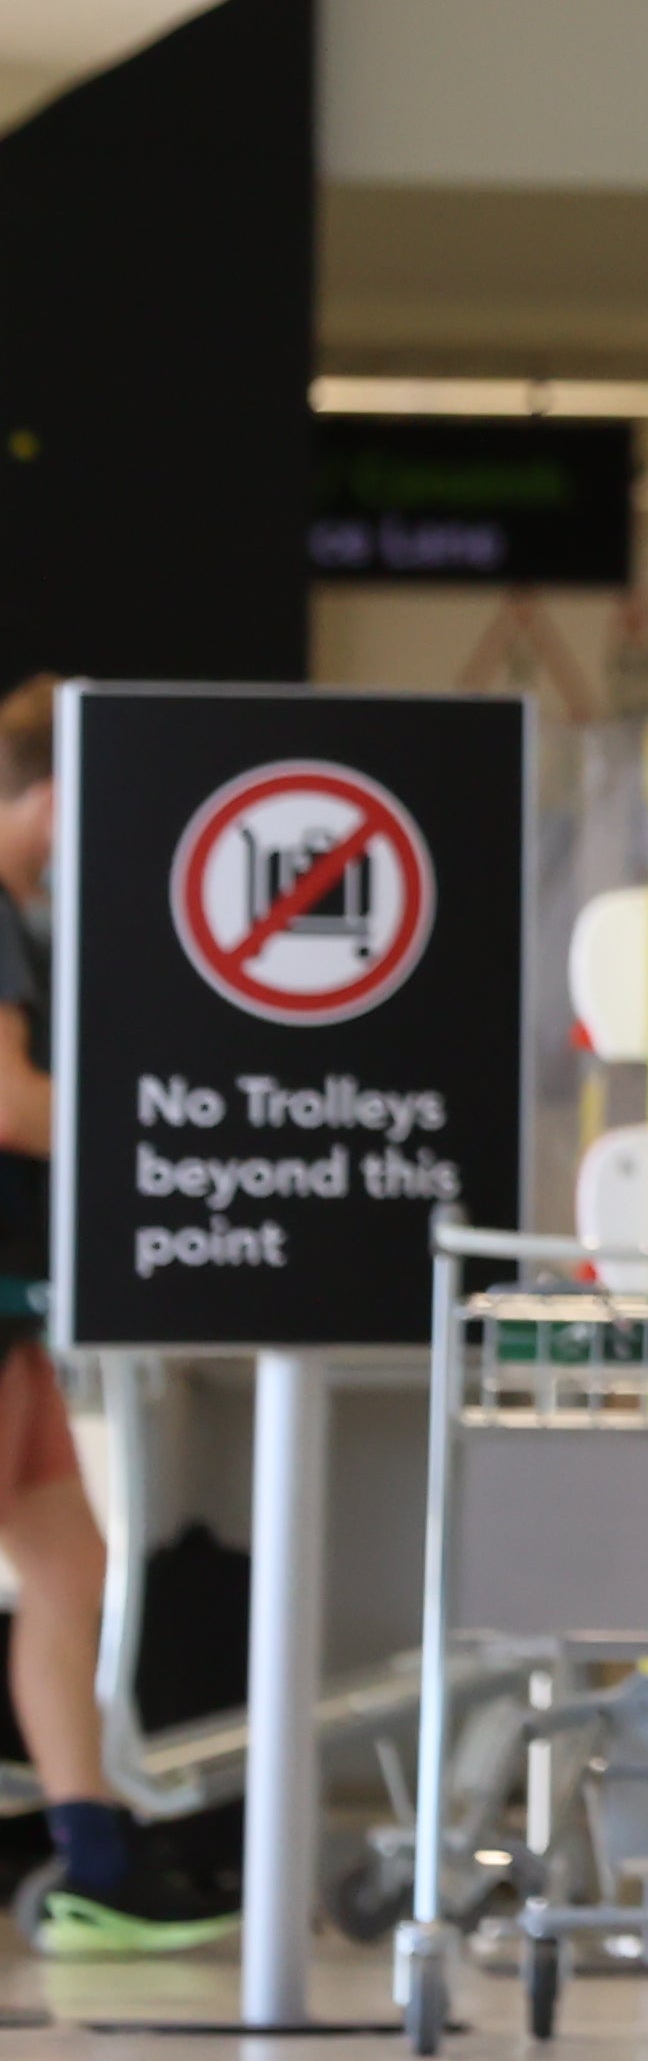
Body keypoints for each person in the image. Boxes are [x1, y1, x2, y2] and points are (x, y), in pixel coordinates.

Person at [0, 678, 235, 1955]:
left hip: (17, 1292)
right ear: (53, 797)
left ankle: (92, 1854)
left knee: (68, 1565)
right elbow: (7, 1104)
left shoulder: (20, 918)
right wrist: (164, 1132)